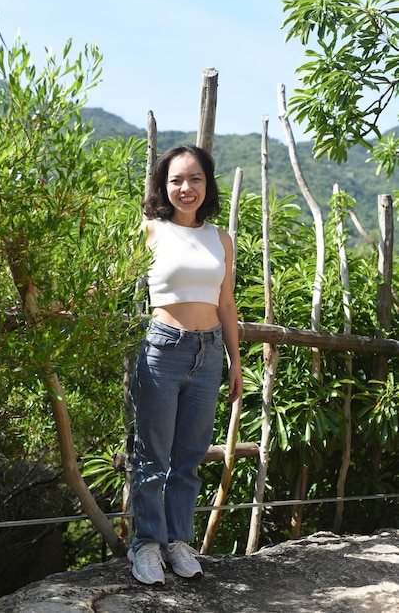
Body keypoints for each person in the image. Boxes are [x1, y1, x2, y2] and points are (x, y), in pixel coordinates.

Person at [127, 144, 243, 585]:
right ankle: (147, 546)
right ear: (163, 186)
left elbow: (227, 303)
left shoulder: (221, 238)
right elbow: (112, 279)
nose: (185, 187)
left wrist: (234, 361)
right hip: (163, 350)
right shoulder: (150, 231)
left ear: (207, 184)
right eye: (176, 180)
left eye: (194, 178)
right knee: (153, 455)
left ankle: (178, 542)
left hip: (210, 353)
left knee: (189, 458)